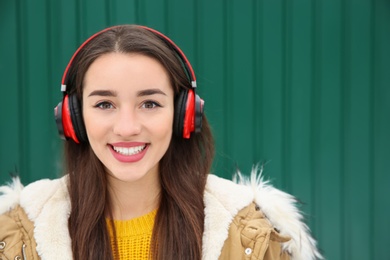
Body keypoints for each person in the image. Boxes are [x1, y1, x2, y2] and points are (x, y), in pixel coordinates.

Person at [0, 24, 322, 260]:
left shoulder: (250, 234)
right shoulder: (16, 234)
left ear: (184, 114)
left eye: (150, 103)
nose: (127, 128)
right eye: (104, 104)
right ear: (73, 118)